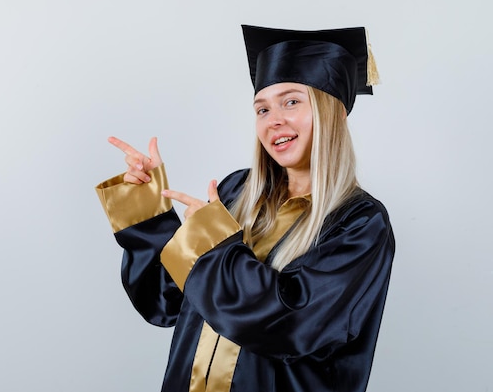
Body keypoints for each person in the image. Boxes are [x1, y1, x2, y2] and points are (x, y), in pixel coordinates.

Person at [95, 24, 395, 392]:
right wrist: (147, 205)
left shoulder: (359, 223)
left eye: (292, 101)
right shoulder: (236, 190)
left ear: (333, 112)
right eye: (262, 109)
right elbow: (166, 300)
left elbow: (290, 325)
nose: (274, 120)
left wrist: (214, 243)